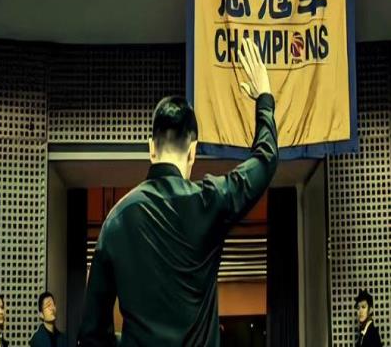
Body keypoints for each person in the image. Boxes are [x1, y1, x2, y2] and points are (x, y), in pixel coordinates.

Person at [77, 39, 278, 346]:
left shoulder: (116, 220)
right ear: (193, 151)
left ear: (151, 148)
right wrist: (264, 98)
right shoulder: (211, 200)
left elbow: (91, 334)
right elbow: (265, 160)